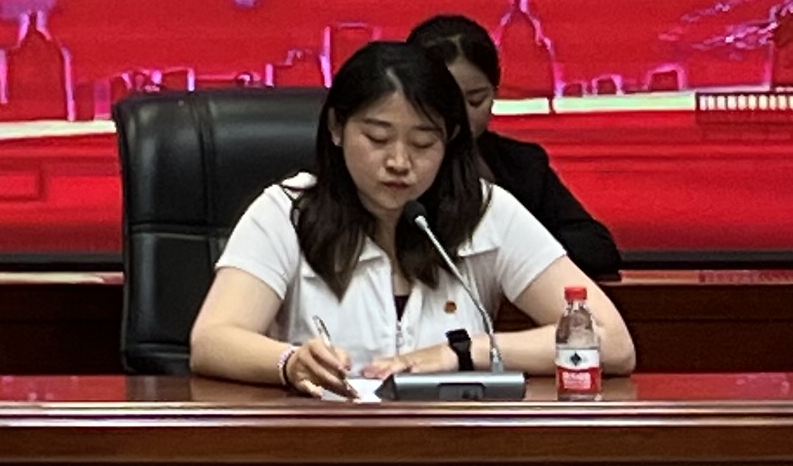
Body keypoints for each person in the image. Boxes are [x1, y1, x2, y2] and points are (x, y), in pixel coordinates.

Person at [188, 39, 636, 396]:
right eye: (378, 138)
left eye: (423, 144)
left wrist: (462, 353)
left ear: (450, 140)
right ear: (337, 128)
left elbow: (611, 343)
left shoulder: (485, 211)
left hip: (454, 449)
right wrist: (289, 362)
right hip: (323, 444)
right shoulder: (287, 213)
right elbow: (212, 339)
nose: (399, 162)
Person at [404, 13, 623, 285]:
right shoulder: (388, 165)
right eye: (447, 101)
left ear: (494, 91)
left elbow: (597, 249)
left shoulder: (521, 164)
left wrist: (512, 252)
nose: (462, 116)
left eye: (476, 100)